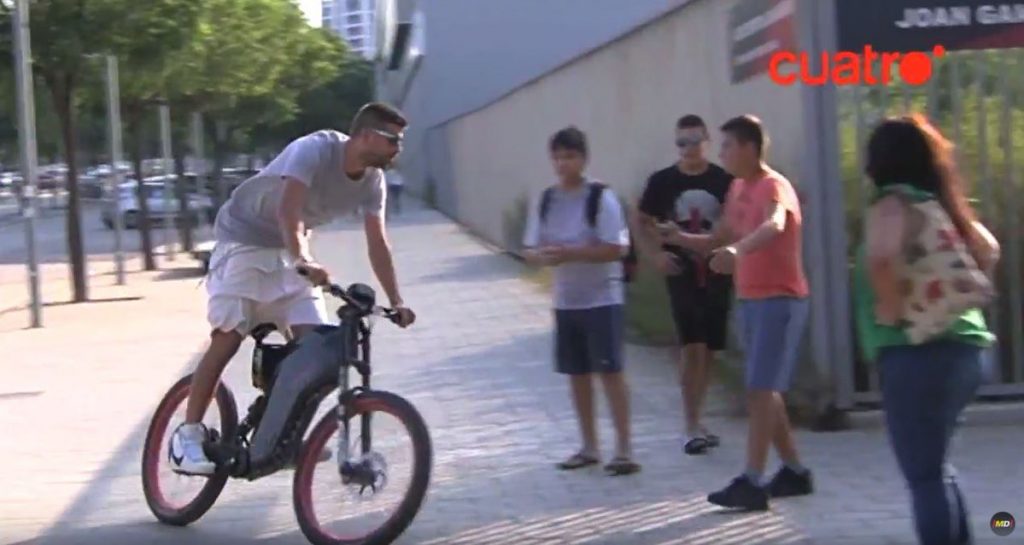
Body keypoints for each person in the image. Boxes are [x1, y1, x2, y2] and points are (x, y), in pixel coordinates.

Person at [169, 102, 417, 475]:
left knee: (316, 350)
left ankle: (281, 438)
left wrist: (396, 300)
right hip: (244, 242)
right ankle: (186, 438)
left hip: (291, 255)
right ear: (365, 135)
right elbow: (289, 211)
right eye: (392, 140)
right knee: (227, 337)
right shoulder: (314, 149)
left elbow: (378, 242)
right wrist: (303, 258)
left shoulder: (373, 181)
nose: (398, 148)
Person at [854, 115, 999, 544]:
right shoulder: (941, 203)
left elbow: (881, 257)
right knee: (935, 469)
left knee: (922, 477)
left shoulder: (891, 203)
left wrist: (890, 305)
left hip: (916, 352)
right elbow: (988, 250)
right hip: (966, 349)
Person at [660, 115, 812, 510]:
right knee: (765, 388)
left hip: (780, 299)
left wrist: (738, 252)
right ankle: (794, 471)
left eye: (726, 145)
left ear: (748, 147)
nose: (721, 152)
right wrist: (679, 238)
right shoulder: (738, 189)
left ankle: (751, 480)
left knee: (761, 390)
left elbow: (775, 225)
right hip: (751, 299)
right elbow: (717, 237)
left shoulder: (773, 186)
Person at [522, 126, 640, 476]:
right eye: (557, 157)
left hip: (603, 298)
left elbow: (617, 248)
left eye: (570, 156)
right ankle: (589, 446)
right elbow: (529, 247)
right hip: (566, 301)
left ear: (584, 159)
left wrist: (571, 252)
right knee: (577, 374)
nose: (563, 164)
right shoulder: (546, 200)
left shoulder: (600, 198)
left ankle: (624, 449)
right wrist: (542, 257)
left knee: (611, 372)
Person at [635, 114, 734, 455]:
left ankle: (699, 418)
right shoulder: (662, 182)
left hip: (717, 271)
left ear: (707, 140)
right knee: (691, 346)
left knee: (708, 349)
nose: (689, 148)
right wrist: (655, 255)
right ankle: (689, 424)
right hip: (681, 272)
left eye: (695, 140)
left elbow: (734, 224)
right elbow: (641, 220)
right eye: (682, 142)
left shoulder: (724, 180)